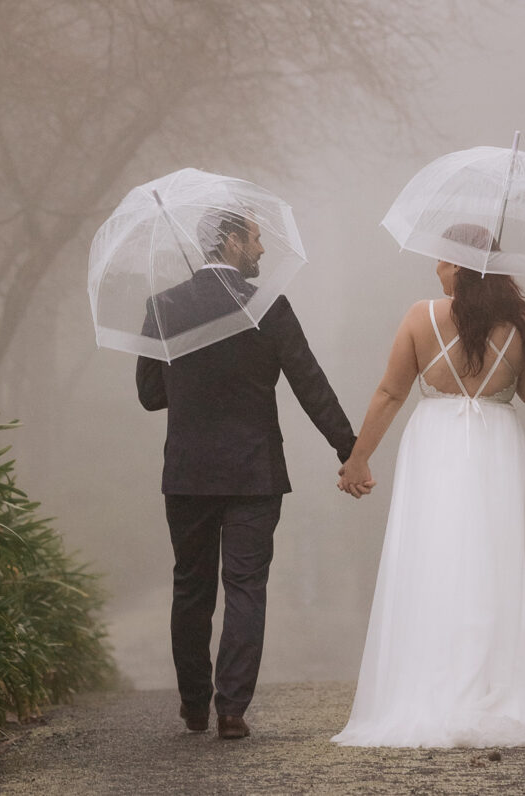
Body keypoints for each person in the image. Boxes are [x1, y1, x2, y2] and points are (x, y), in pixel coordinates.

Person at [332, 223, 525, 748]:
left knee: (434, 560)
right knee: (492, 563)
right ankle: (490, 691)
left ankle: (430, 688)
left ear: (457, 265)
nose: (435, 267)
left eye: (441, 259)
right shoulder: (516, 325)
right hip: (496, 449)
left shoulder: (421, 317)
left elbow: (391, 392)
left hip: (435, 447)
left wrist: (357, 460)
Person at [137, 209, 358, 740]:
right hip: (255, 473)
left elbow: (149, 396)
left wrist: (190, 382)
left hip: (188, 473)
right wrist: (349, 449)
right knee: (245, 587)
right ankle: (231, 708)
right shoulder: (267, 305)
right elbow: (309, 382)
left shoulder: (163, 307)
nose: (262, 250)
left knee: (191, 588)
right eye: (256, 239)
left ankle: (194, 705)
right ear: (232, 242)